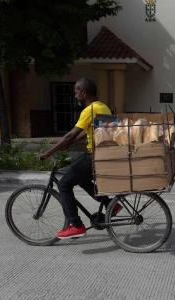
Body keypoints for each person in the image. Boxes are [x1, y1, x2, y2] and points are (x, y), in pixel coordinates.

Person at [39, 78, 121, 239]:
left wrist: (49, 152)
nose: (75, 95)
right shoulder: (103, 106)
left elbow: (71, 133)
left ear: (83, 92)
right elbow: (88, 130)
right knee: (81, 179)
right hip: (103, 154)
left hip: (94, 155)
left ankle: (75, 225)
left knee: (64, 184)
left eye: (76, 92)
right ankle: (111, 204)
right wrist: (72, 142)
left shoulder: (89, 110)